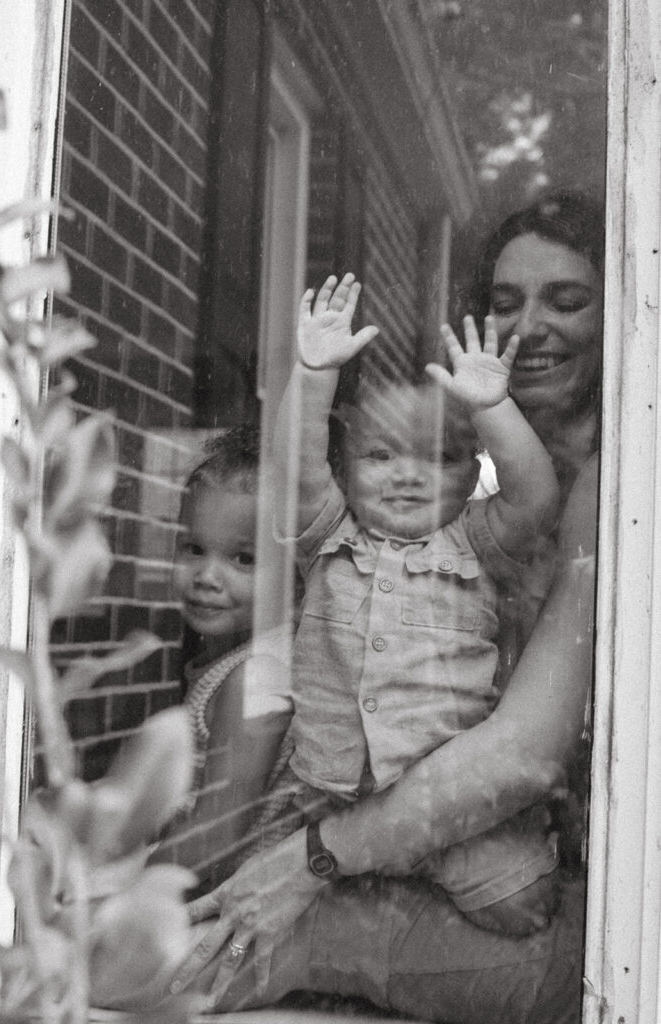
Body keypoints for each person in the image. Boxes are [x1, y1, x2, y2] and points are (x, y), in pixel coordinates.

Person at [154, 190, 602, 1023]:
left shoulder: (545, 508)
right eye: (504, 303)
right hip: (362, 806)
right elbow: (298, 480)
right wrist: (313, 374)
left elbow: (522, 755)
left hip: (480, 836)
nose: (531, 325)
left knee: (547, 951)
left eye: (567, 299)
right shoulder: (361, 531)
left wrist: (309, 868)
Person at [256, 272, 560, 935]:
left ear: (470, 471)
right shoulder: (330, 537)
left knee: (523, 905)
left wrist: (490, 406)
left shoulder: (477, 545)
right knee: (265, 907)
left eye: (435, 458)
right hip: (327, 801)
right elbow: (290, 472)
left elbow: (536, 497)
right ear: (346, 466)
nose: (404, 473)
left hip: (444, 810)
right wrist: (312, 375)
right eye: (379, 454)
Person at [167, 425, 294, 881]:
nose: (206, 576)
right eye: (195, 549)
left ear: (296, 573)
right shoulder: (240, 664)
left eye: (243, 559)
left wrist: (122, 892)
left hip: (226, 914)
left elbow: (214, 838)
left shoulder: (258, 677)